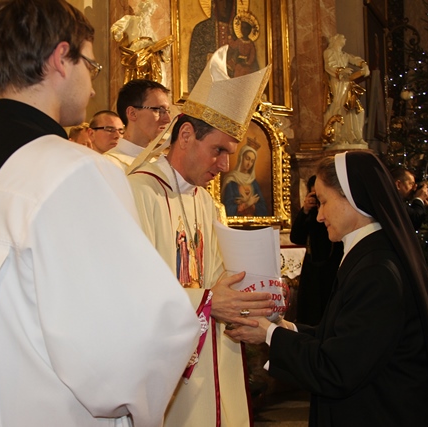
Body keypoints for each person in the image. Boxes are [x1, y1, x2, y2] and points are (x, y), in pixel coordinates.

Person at [0, 1, 200, 426]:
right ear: (60, 58)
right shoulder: (75, 171)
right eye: (90, 66)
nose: (91, 88)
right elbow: (128, 342)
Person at [226, 151, 428, 426]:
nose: (319, 216)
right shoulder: (370, 255)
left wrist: (268, 334)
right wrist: (283, 328)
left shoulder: (377, 271)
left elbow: (337, 368)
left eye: (324, 202)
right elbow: (342, 337)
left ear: (352, 198)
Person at [128, 45, 272, 427]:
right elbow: (129, 292)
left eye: (230, 153)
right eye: (218, 150)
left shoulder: (205, 202)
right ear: (187, 135)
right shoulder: (138, 193)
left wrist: (259, 293)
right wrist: (207, 301)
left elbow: (219, 277)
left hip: (212, 361)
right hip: (169, 372)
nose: (225, 165)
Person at [289, 175, 343, 325]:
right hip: (312, 268)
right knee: (311, 312)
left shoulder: (334, 212)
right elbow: (296, 237)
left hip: (333, 265)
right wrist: (305, 211)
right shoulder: (311, 213)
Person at [104, 78, 171, 171]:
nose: (168, 119)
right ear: (132, 113)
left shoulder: (160, 164)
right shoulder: (107, 164)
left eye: (167, 111)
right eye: (158, 110)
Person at [323, 34, 370, 146]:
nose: (345, 39)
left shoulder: (344, 55)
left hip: (347, 83)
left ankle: (354, 136)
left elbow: (355, 59)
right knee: (339, 106)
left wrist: (364, 65)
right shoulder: (329, 52)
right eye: (342, 37)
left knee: (354, 109)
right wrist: (341, 71)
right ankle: (338, 136)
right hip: (337, 82)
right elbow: (329, 65)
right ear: (335, 40)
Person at [110, 0, 172, 85]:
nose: (149, 14)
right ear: (142, 9)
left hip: (151, 56)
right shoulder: (131, 19)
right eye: (148, 11)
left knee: (154, 79)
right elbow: (117, 28)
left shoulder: (150, 29)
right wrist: (117, 32)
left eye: (151, 12)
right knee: (138, 78)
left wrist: (164, 47)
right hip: (137, 52)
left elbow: (157, 46)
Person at [221, 138, 268, 216]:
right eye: (247, 159)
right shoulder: (231, 180)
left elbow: (264, 210)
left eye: (252, 161)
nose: (249, 163)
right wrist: (246, 204)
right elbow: (227, 209)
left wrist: (252, 205)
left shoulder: (253, 182)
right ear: (241, 157)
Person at [391, 166, 428, 230]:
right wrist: (419, 199)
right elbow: (414, 220)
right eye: (411, 184)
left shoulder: (393, 199)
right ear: (398, 184)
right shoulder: (392, 201)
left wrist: (421, 204)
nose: (414, 189)